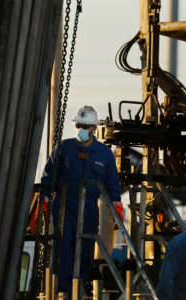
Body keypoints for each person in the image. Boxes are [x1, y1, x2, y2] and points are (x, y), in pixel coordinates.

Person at [41, 105, 122, 294]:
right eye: (79, 124)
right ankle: (62, 290)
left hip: (90, 209)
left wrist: (116, 207)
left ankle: (80, 287)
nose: (81, 129)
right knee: (63, 248)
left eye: (85, 126)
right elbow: (48, 176)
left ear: (94, 128)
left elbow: (112, 183)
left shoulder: (104, 154)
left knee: (86, 248)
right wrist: (45, 196)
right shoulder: (64, 148)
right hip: (65, 206)